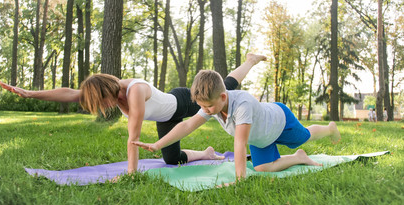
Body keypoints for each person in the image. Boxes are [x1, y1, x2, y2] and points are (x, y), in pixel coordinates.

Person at [0, 53, 266, 174]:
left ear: (108, 92)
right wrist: (30, 93)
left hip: (181, 102)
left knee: (227, 87)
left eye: (101, 103)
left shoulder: (134, 92)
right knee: (171, 160)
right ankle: (206, 153)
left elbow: (133, 138)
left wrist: (131, 172)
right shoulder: (106, 90)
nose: (103, 109)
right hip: (165, 118)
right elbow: (71, 93)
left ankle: (250, 60)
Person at [132, 69, 341, 182]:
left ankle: (330, 128)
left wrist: (239, 180)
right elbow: (187, 127)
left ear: (223, 96)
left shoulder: (242, 104)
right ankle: (298, 158)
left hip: (280, 122)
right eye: (202, 107)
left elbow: (239, 145)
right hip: (261, 138)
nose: (205, 110)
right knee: (261, 168)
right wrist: (158, 145)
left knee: (304, 136)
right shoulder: (210, 105)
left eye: (209, 106)